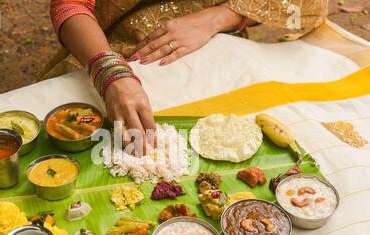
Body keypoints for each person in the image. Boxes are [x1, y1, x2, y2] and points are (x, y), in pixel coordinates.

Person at [43, 0, 327, 149]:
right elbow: (70, 6)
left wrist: (216, 17)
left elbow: (303, 4)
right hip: (113, 47)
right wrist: (110, 72)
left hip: (213, 45)